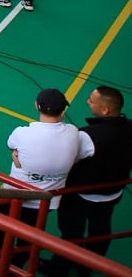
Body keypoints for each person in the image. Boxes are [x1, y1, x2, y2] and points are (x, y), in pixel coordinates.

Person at [0, 89, 94, 274]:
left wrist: (18, 156)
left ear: (37, 106)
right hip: (46, 201)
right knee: (27, 238)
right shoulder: (74, 132)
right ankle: (15, 268)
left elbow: (12, 144)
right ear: (63, 111)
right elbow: (81, 153)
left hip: (14, 196)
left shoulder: (22, 133)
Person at [48, 86, 132, 276]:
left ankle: (59, 267)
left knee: (71, 232)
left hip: (80, 194)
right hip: (112, 192)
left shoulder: (88, 136)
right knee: (101, 230)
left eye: (91, 100)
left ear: (105, 110)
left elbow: (69, 160)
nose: (87, 102)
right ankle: (89, 264)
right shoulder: (130, 127)